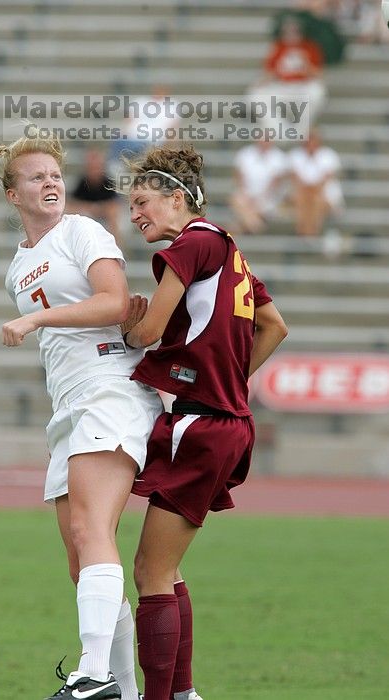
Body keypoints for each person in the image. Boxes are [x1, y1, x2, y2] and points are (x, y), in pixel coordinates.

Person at [0, 131, 163, 700]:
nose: (50, 183)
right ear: (12, 195)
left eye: (54, 175)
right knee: (81, 558)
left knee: (94, 531)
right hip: (71, 404)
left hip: (109, 387)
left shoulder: (81, 230)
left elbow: (115, 302)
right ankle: (124, 689)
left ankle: (94, 672)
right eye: (37, 177)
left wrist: (35, 322)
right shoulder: (19, 266)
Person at [118, 144, 288, 700]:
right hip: (227, 422)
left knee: (148, 572)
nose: (136, 213)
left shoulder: (192, 244)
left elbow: (147, 332)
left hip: (203, 424)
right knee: (167, 570)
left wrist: (128, 323)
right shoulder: (229, 249)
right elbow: (275, 326)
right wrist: (233, 380)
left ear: (177, 197)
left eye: (143, 201)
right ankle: (183, 693)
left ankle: (160, 697)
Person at [288, 128, 344, 236]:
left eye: (314, 141)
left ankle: (305, 232)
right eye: (309, 141)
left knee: (315, 201)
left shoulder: (329, 155)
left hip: (322, 195)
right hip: (302, 194)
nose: (311, 144)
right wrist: (308, 191)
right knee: (304, 200)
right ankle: (310, 233)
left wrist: (311, 191)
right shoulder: (295, 155)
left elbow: (326, 178)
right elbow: (294, 177)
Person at [66, 147, 124, 250]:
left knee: (113, 216)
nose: (94, 170)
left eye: (96, 166)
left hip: (105, 218)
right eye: (91, 166)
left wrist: (98, 208)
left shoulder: (108, 182)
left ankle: (115, 248)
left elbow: (114, 205)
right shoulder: (82, 182)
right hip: (87, 216)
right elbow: (71, 205)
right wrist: (91, 208)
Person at [230, 139, 289, 234]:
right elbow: (239, 177)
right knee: (237, 200)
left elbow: (276, 183)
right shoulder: (245, 154)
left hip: (270, 198)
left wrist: (259, 198)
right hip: (246, 197)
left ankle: (238, 229)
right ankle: (256, 226)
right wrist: (246, 194)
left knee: (248, 208)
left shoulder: (279, 157)